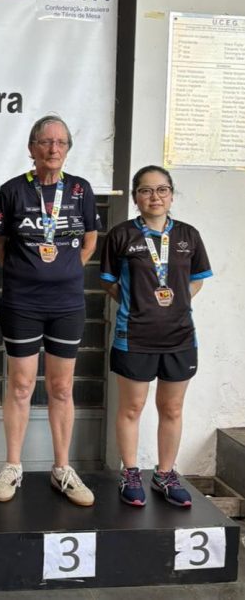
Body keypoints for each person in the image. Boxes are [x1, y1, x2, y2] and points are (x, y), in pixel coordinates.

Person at [0, 115, 100, 506]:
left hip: (67, 304)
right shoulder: (12, 190)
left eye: (61, 143)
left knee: (62, 387)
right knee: (20, 385)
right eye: (45, 142)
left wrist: (63, 271)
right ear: (31, 148)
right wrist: (27, 272)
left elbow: (90, 241)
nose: (53, 149)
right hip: (22, 301)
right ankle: (12, 466)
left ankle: (62, 469)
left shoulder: (81, 190)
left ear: (68, 149)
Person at [100, 165, 212, 507]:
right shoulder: (120, 235)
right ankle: (131, 473)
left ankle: (165, 474)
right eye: (146, 190)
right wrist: (139, 306)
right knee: (132, 407)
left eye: (162, 189)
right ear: (136, 197)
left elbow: (196, 279)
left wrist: (172, 306)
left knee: (172, 408)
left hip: (180, 337)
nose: (155, 197)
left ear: (171, 194)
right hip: (134, 336)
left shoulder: (188, 235)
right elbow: (109, 283)